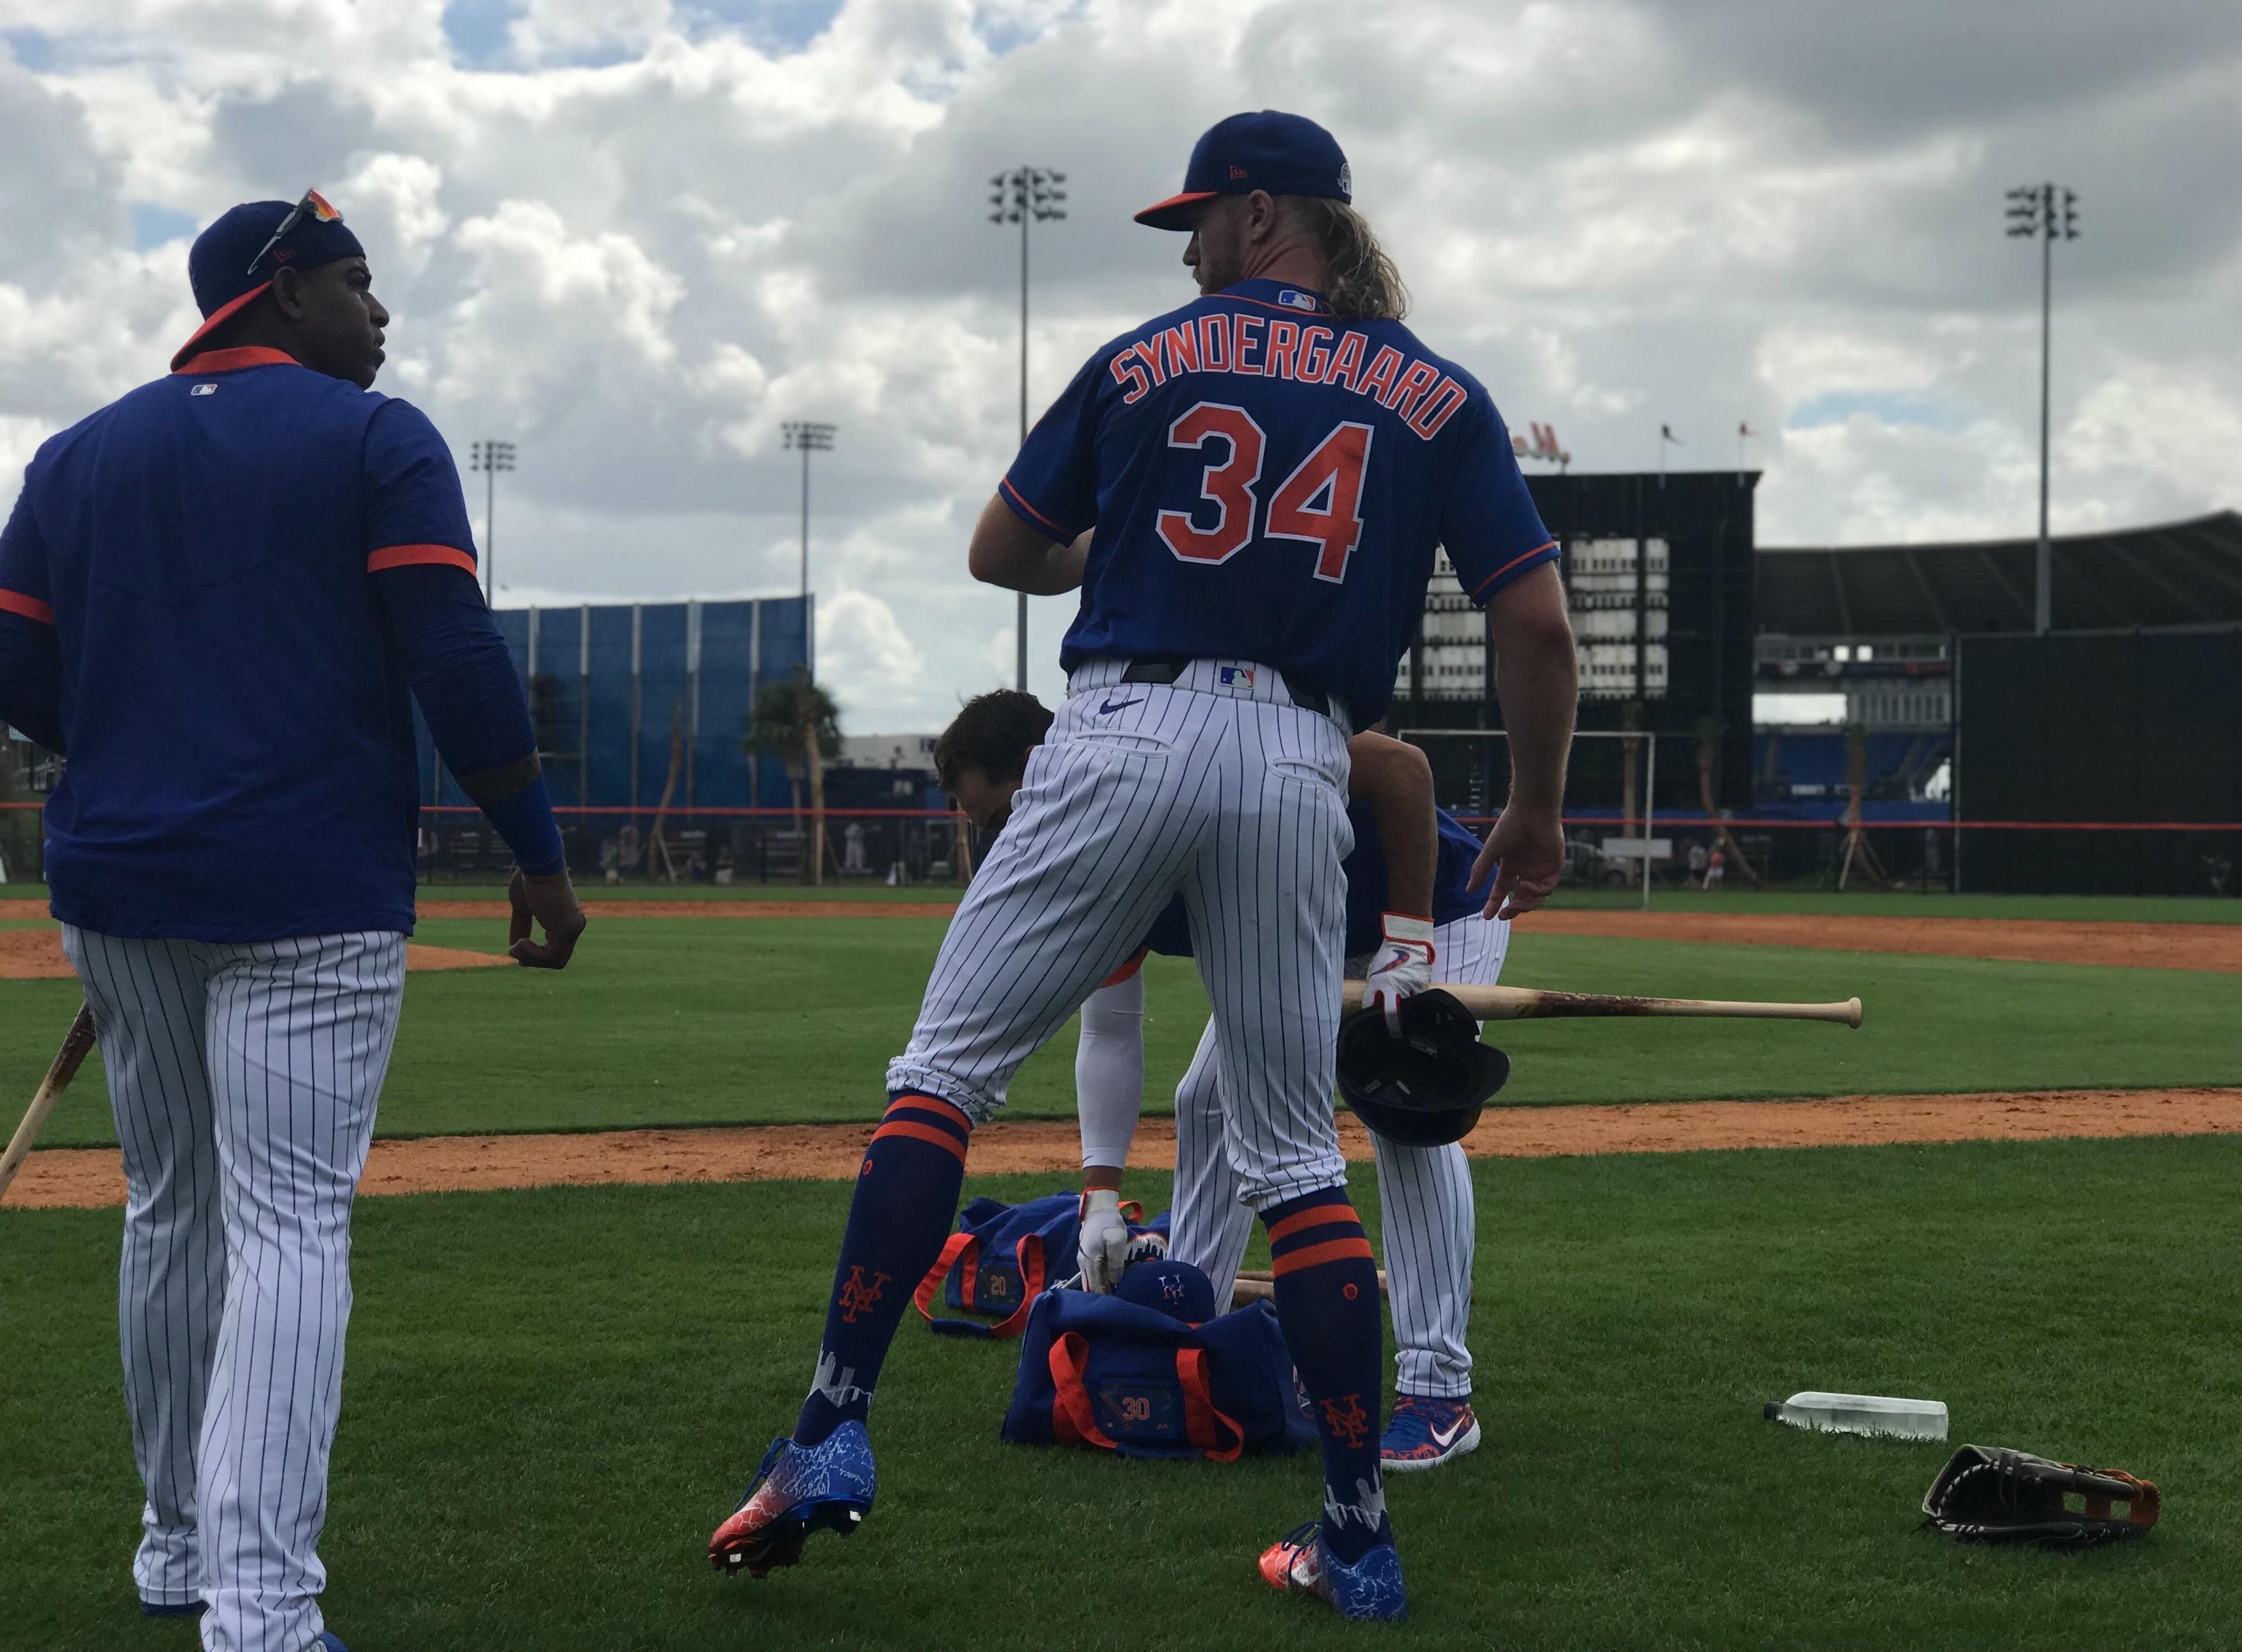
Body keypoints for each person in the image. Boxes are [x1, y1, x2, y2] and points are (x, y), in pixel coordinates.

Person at [706, 110, 1576, 1623]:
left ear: (1255, 214)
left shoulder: (1141, 362)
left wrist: (1127, 548)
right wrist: (1546, 810)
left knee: (944, 1080)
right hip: (1303, 754)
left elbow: (1001, 551)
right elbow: (1541, 629)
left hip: (1122, 721)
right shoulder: (1436, 391)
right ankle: (1355, 1532)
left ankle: (831, 1430)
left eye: (1198, 223)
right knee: (1303, 1158)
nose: (1186, 252)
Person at [0, 191, 585, 1649]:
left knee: (172, 1209)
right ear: (277, 291)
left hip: (121, 883)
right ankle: (259, 1610)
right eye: (355, 281)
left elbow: (17, 677)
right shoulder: (378, 438)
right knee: (284, 1225)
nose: (379, 313)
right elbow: (454, 658)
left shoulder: (73, 455)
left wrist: (138, 750)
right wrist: (537, 856)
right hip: (308, 883)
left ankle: (178, 1552)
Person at [938, 691, 1506, 1473]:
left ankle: (1439, 1393)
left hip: (1433, 912)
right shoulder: (1094, 853)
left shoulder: (1172, 767)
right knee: (1205, 1100)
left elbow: (1404, 769)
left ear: (1040, 773)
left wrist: (1406, 945)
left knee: (1403, 1114)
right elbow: (1109, 1025)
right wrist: (1099, 1198)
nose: (995, 840)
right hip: (1315, 935)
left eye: (996, 818)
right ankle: (1190, 1321)